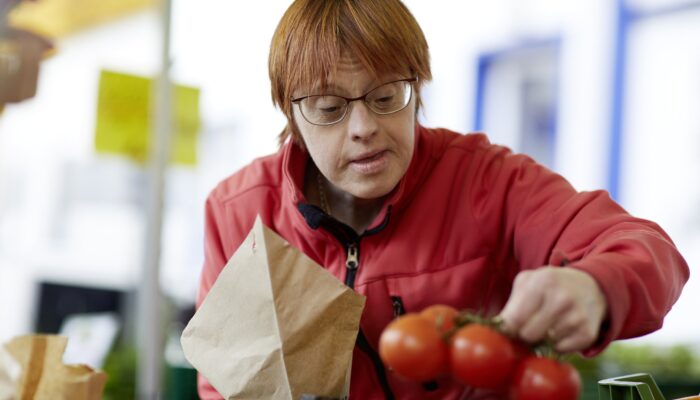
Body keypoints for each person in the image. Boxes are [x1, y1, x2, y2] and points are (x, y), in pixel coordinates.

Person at [195, 1, 689, 399]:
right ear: (291, 114)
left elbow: (647, 249)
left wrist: (597, 287)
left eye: (387, 97)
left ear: (417, 86)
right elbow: (226, 379)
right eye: (329, 109)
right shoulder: (239, 212)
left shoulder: (486, 181)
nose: (364, 129)